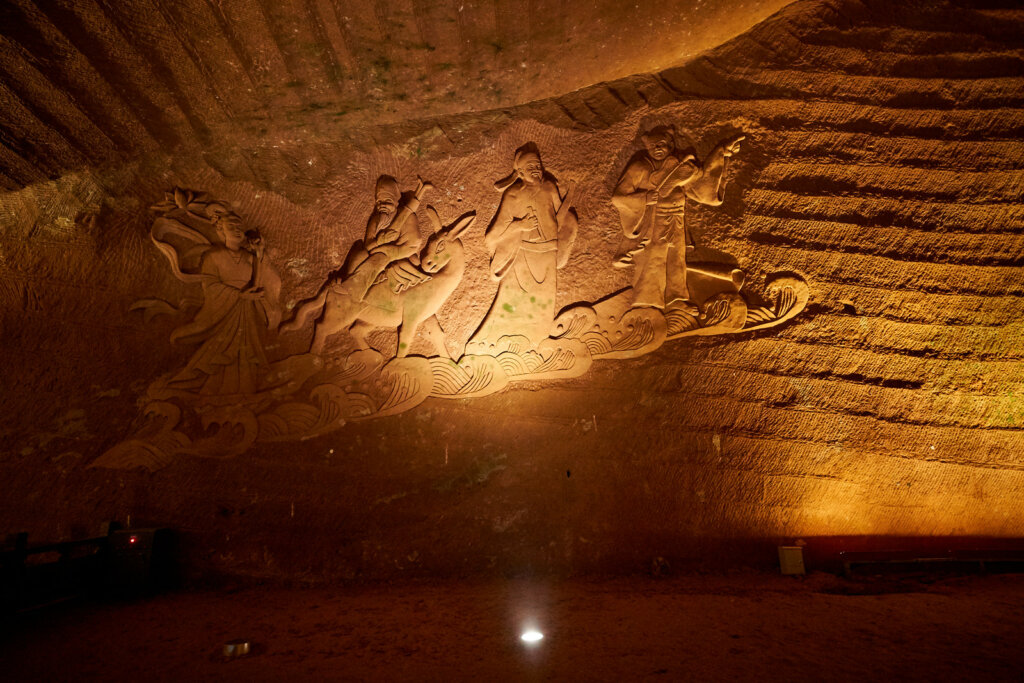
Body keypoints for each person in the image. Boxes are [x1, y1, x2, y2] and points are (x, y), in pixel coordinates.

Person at [612, 126, 744, 315]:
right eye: (653, 146)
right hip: (653, 223)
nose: (657, 149)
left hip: (677, 221)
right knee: (653, 261)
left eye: (662, 145)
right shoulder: (640, 166)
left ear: (671, 145)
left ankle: (677, 300)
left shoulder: (680, 167)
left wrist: (722, 153)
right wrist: (644, 199)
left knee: (677, 261)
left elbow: (702, 184)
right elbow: (618, 197)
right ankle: (646, 304)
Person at [467, 145, 578, 350]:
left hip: (548, 256)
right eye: (530, 166)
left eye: (538, 164)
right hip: (523, 258)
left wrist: (569, 196)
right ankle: (498, 346)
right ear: (520, 172)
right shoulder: (513, 195)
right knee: (513, 305)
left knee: (544, 305)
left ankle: (539, 347)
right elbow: (492, 235)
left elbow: (558, 220)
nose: (536, 169)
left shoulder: (549, 188)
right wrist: (519, 226)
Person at [166, 204, 281, 396]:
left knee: (246, 352)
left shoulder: (249, 257)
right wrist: (238, 295)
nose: (237, 230)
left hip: (246, 313)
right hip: (226, 311)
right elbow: (210, 286)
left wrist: (260, 253)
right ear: (220, 230)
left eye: (239, 226)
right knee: (220, 352)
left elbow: (260, 281)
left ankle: (244, 392)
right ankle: (213, 391)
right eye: (231, 226)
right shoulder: (213, 256)